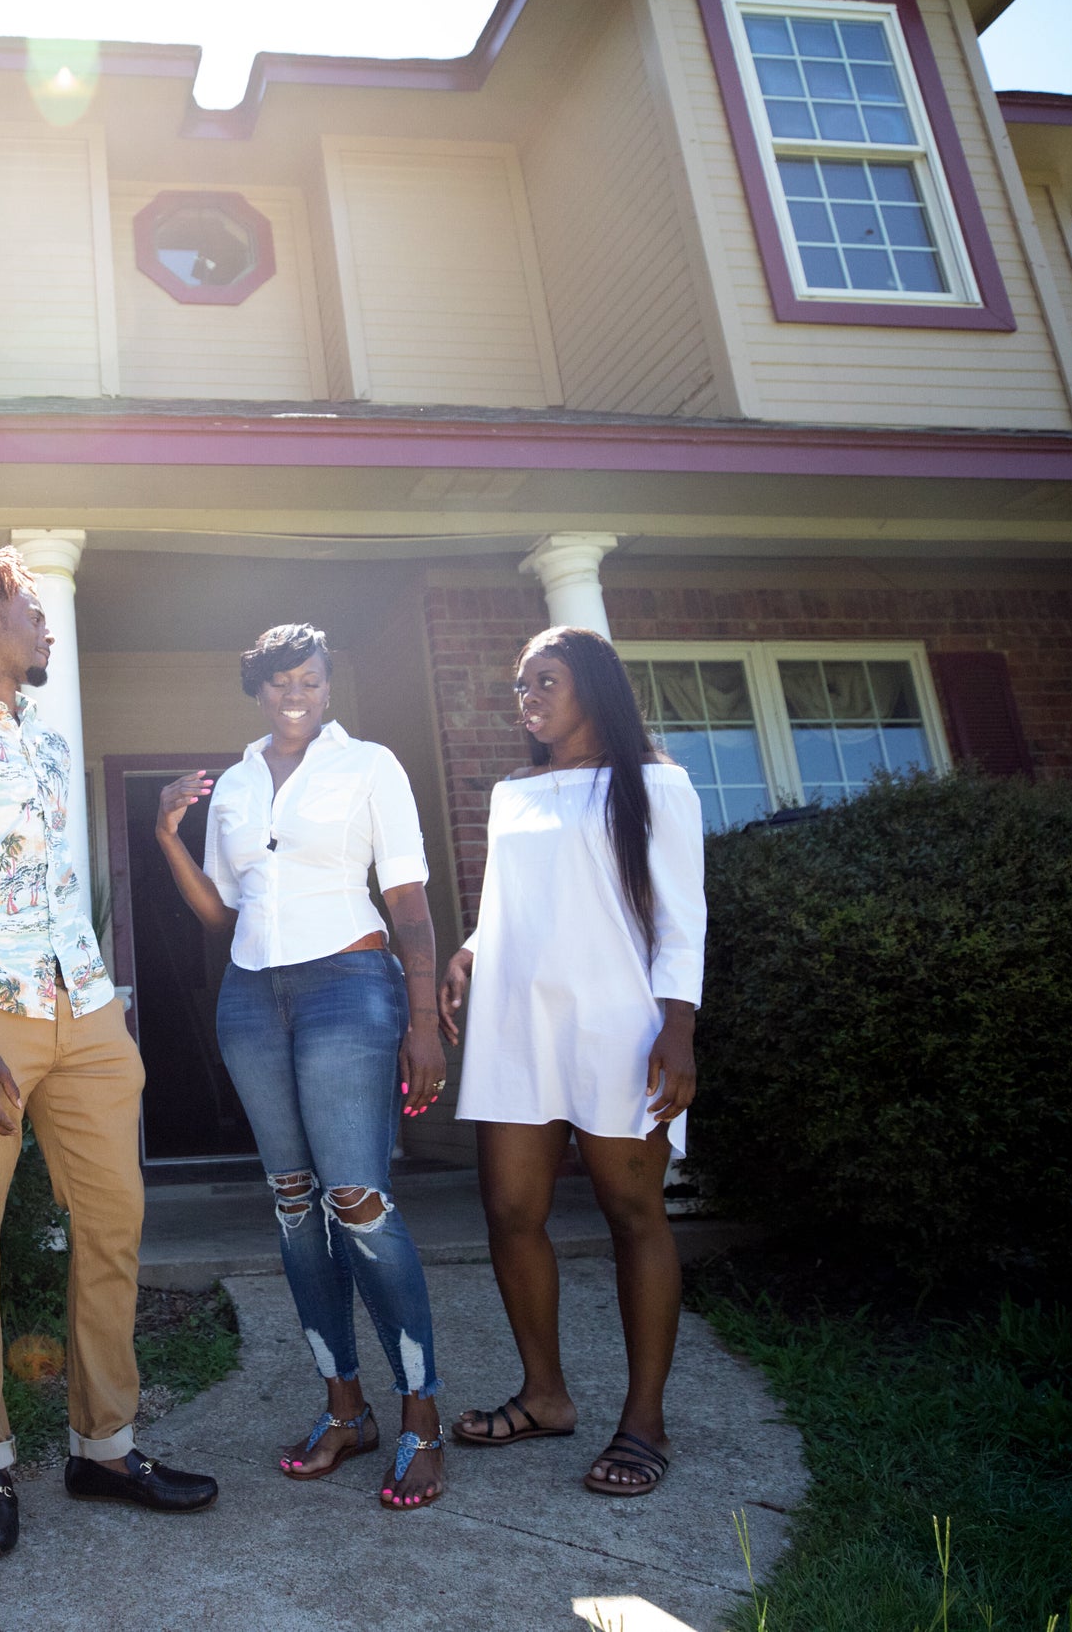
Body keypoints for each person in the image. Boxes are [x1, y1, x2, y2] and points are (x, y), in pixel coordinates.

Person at [0, 536, 220, 1560]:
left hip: (84, 1009)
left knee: (114, 1221)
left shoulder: (47, 737)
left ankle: (104, 1446)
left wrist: (108, 1017)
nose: (47, 629)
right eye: (36, 615)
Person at [150, 623, 454, 1510]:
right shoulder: (237, 784)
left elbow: (408, 898)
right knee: (292, 1200)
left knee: (356, 1198)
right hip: (250, 996)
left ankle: (422, 1416)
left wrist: (424, 1016)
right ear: (258, 689)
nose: (298, 694)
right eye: (283, 681)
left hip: (351, 985)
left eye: (313, 680)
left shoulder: (371, 766)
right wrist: (168, 832)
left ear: (329, 685)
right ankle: (344, 1408)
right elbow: (221, 910)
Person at [440, 624, 705, 1498]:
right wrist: (471, 948)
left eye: (543, 679)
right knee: (510, 1207)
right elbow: (512, 903)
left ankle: (645, 1421)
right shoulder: (514, 792)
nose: (527, 695)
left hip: (619, 1025)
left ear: (593, 685)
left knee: (634, 1210)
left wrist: (679, 1027)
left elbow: (679, 917)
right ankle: (545, 1395)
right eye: (520, 683)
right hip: (519, 1023)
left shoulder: (657, 785)